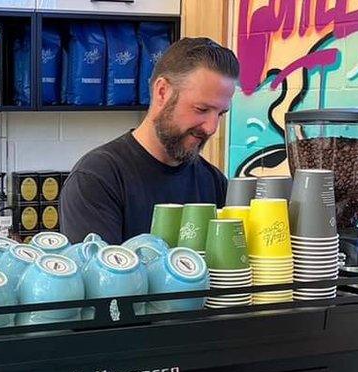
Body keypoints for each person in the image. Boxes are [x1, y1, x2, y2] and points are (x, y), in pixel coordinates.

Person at [60, 38, 239, 244]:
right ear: (162, 92)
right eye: (201, 109)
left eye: (221, 114)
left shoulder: (213, 182)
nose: (212, 127)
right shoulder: (97, 179)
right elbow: (100, 275)